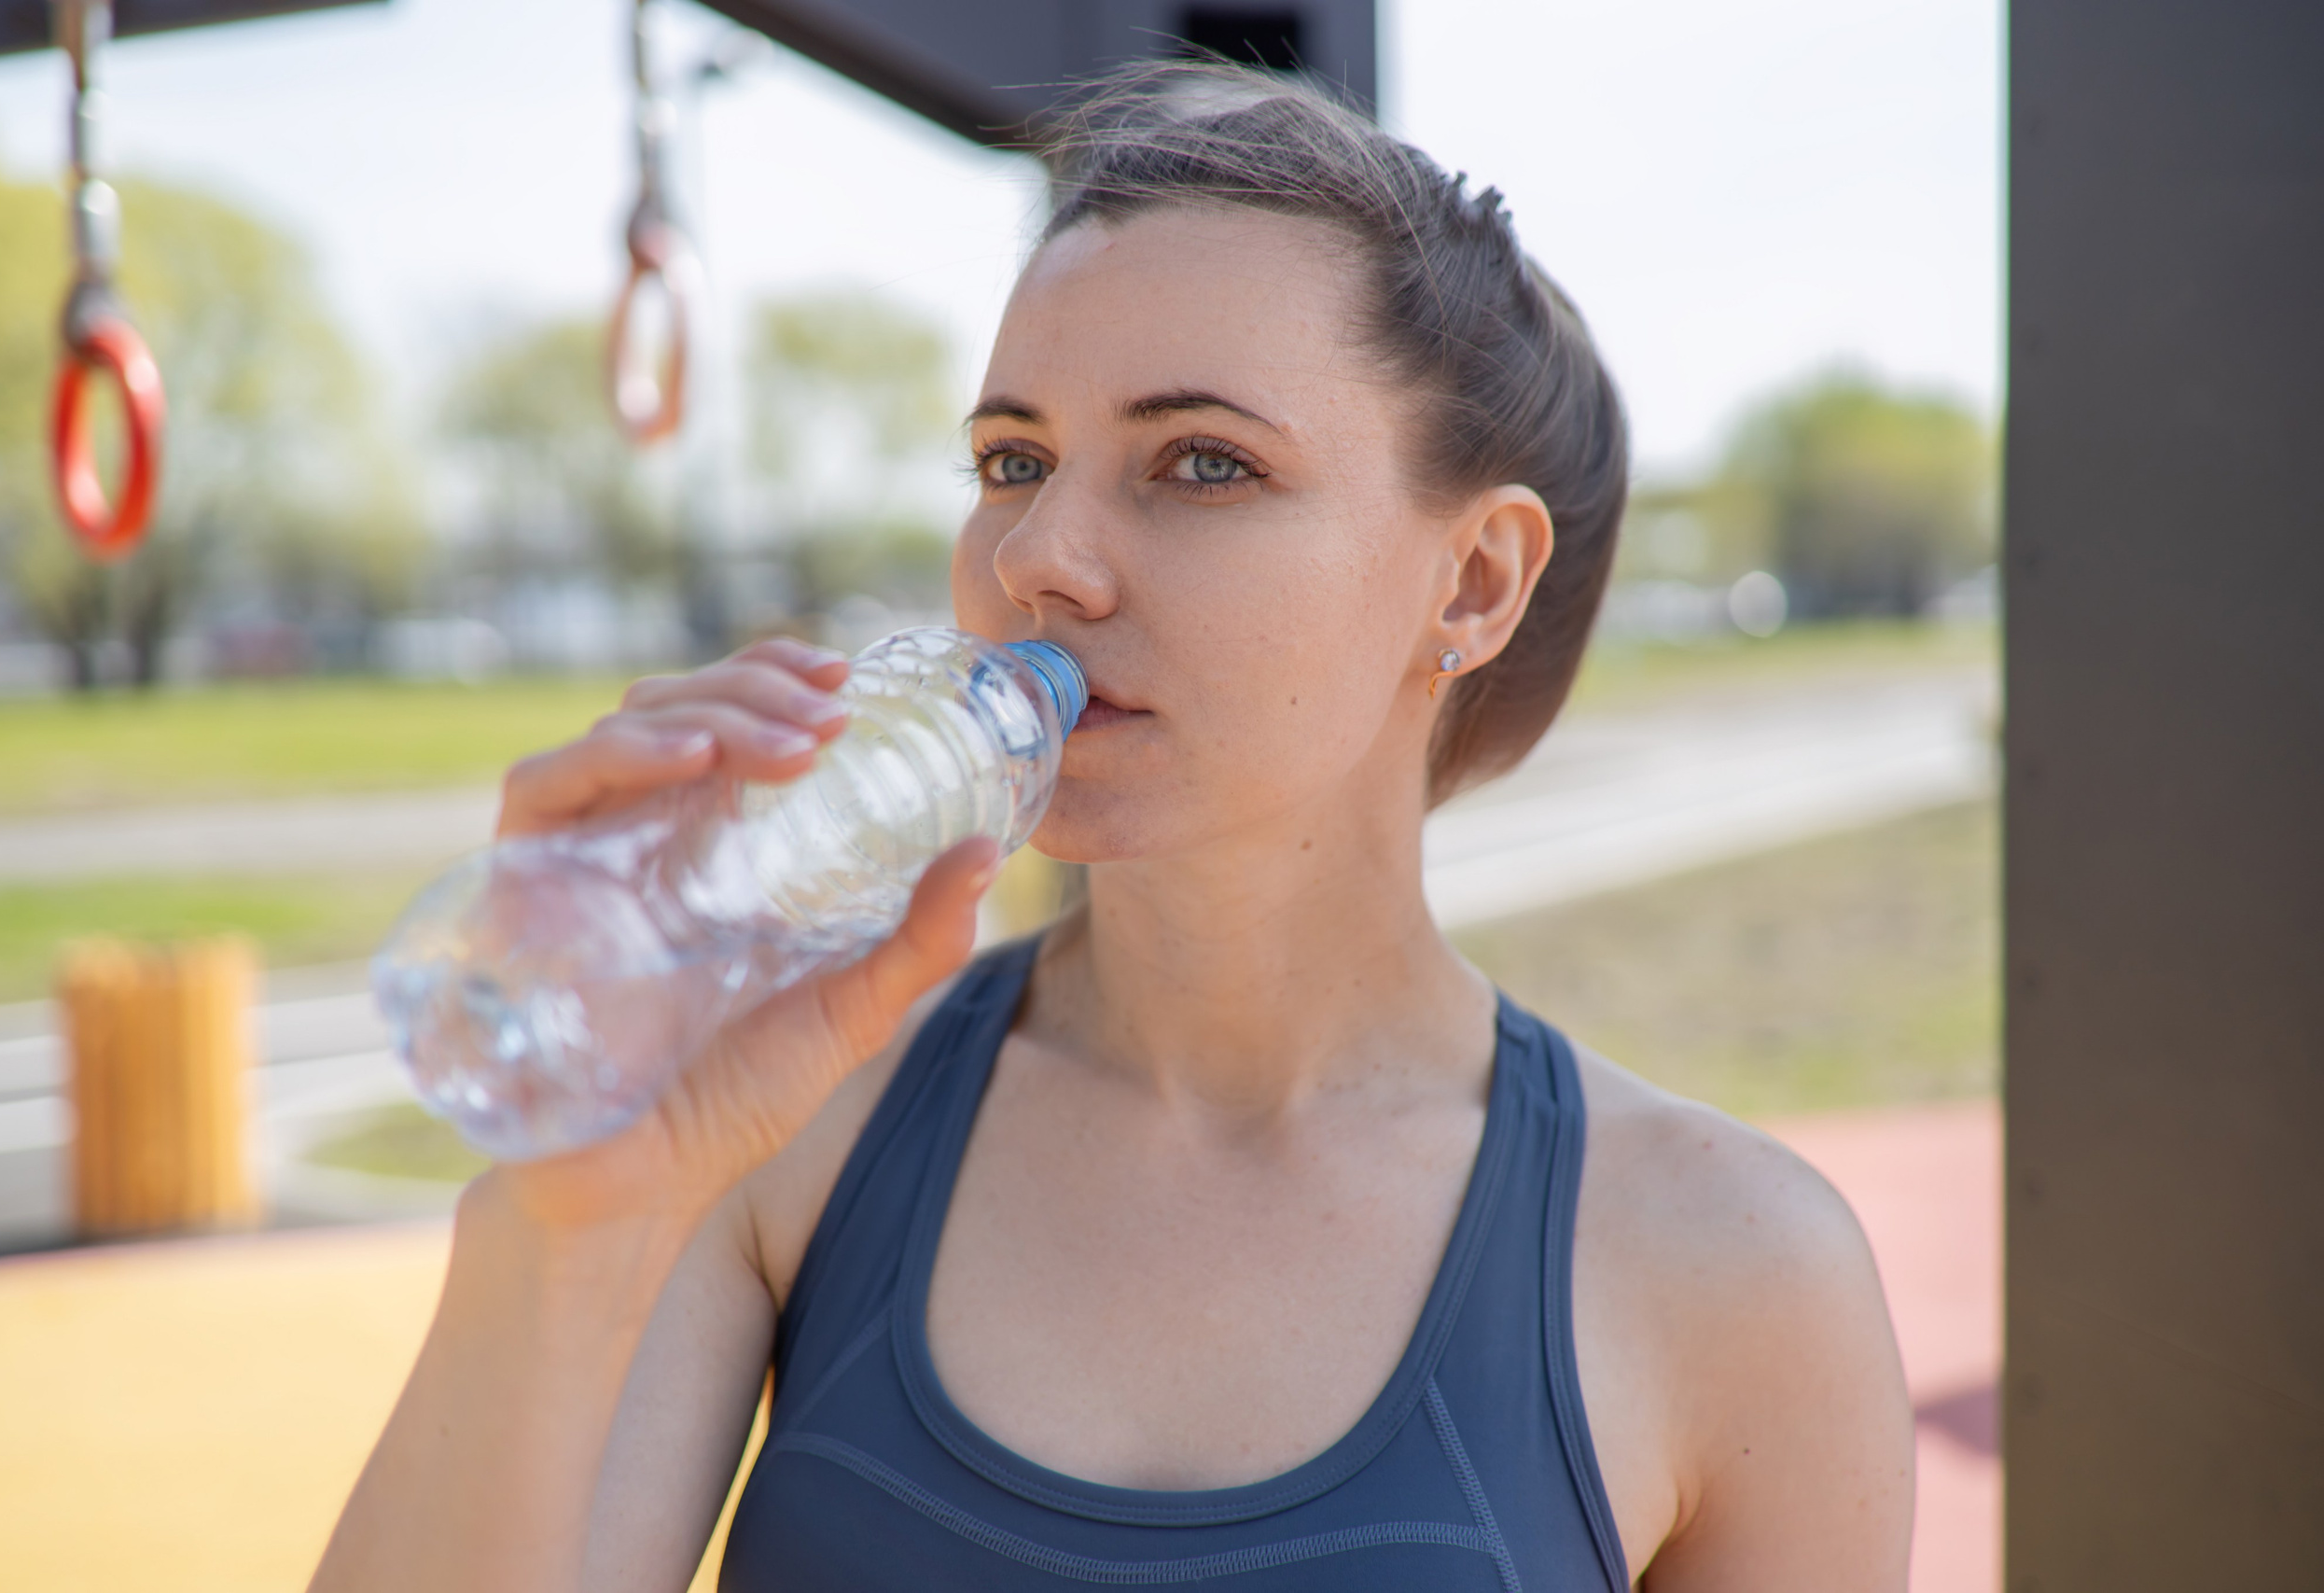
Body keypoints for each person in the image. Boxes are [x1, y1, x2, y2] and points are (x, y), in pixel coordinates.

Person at [312, 62, 1913, 1593]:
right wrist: (564, 1216)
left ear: (1474, 583)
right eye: (1012, 459)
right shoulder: (779, 1123)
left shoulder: (1731, 1268)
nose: (1041, 557)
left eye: (1203, 463)